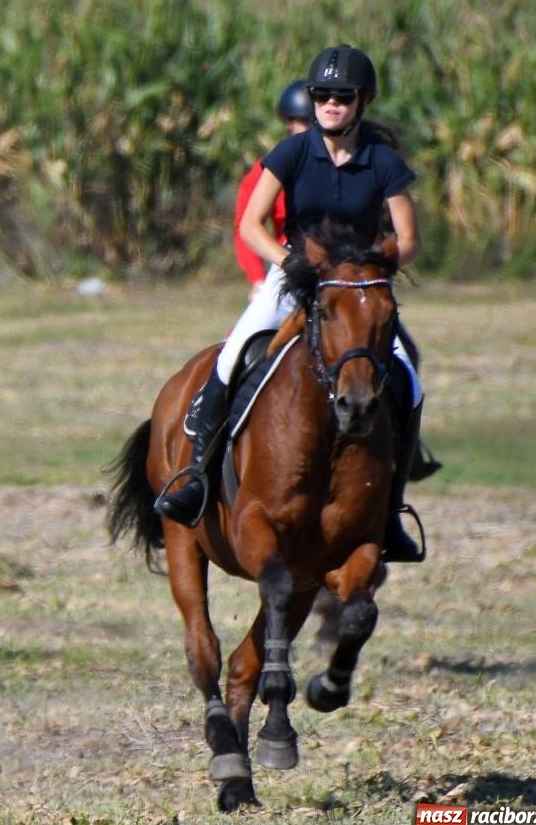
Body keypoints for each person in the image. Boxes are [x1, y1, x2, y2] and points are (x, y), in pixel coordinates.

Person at [155, 45, 427, 563]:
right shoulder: (292, 154)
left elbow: (409, 239)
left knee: (409, 382)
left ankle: (389, 512)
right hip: (296, 281)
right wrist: (290, 263)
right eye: (322, 95)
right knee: (235, 353)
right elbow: (251, 224)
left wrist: (370, 264)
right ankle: (194, 476)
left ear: (361, 101)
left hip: (357, 291)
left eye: (341, 97)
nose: (329, 104)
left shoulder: (384, 161)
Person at [233, 80, 310, 295]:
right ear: (288, 122)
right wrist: (257, 279)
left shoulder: (341, 162)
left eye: (315, 121)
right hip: (289, 264)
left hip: (342, 266)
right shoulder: (265, 171)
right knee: (245, 331)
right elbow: (245, 228)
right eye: (303, 121)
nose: (310, 128)